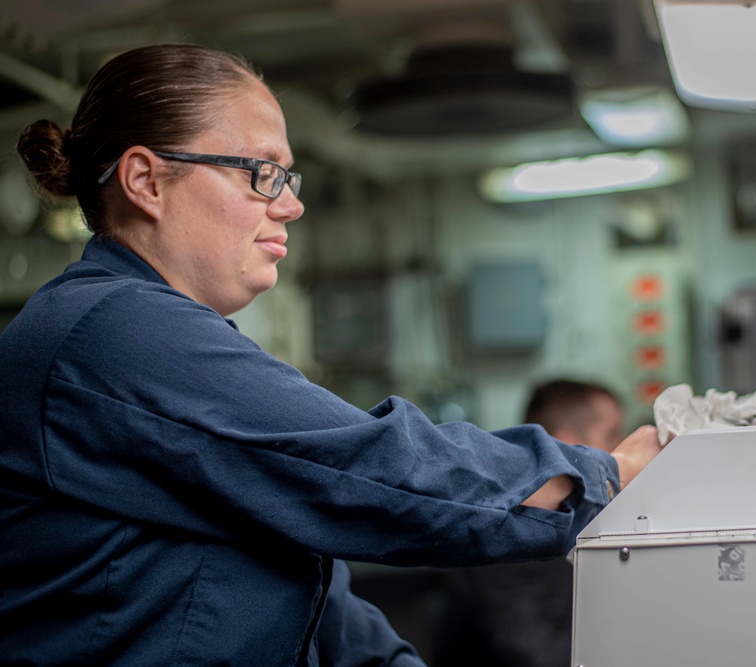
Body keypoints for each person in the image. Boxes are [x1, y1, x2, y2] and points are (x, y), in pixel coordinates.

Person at [0, 44, 663, 666]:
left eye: (287, 175)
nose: (291, 204)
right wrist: (605, 475)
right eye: (262, 173)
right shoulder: (111, 329)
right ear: (145, 179)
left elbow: (307, 594)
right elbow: (369, 466)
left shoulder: (144, 329)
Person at [431, 379, 626, 667]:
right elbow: (542, 654)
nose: (623, 448)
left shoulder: (593, 522)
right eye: (613, 435)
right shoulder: (503, 534)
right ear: (572, 444)